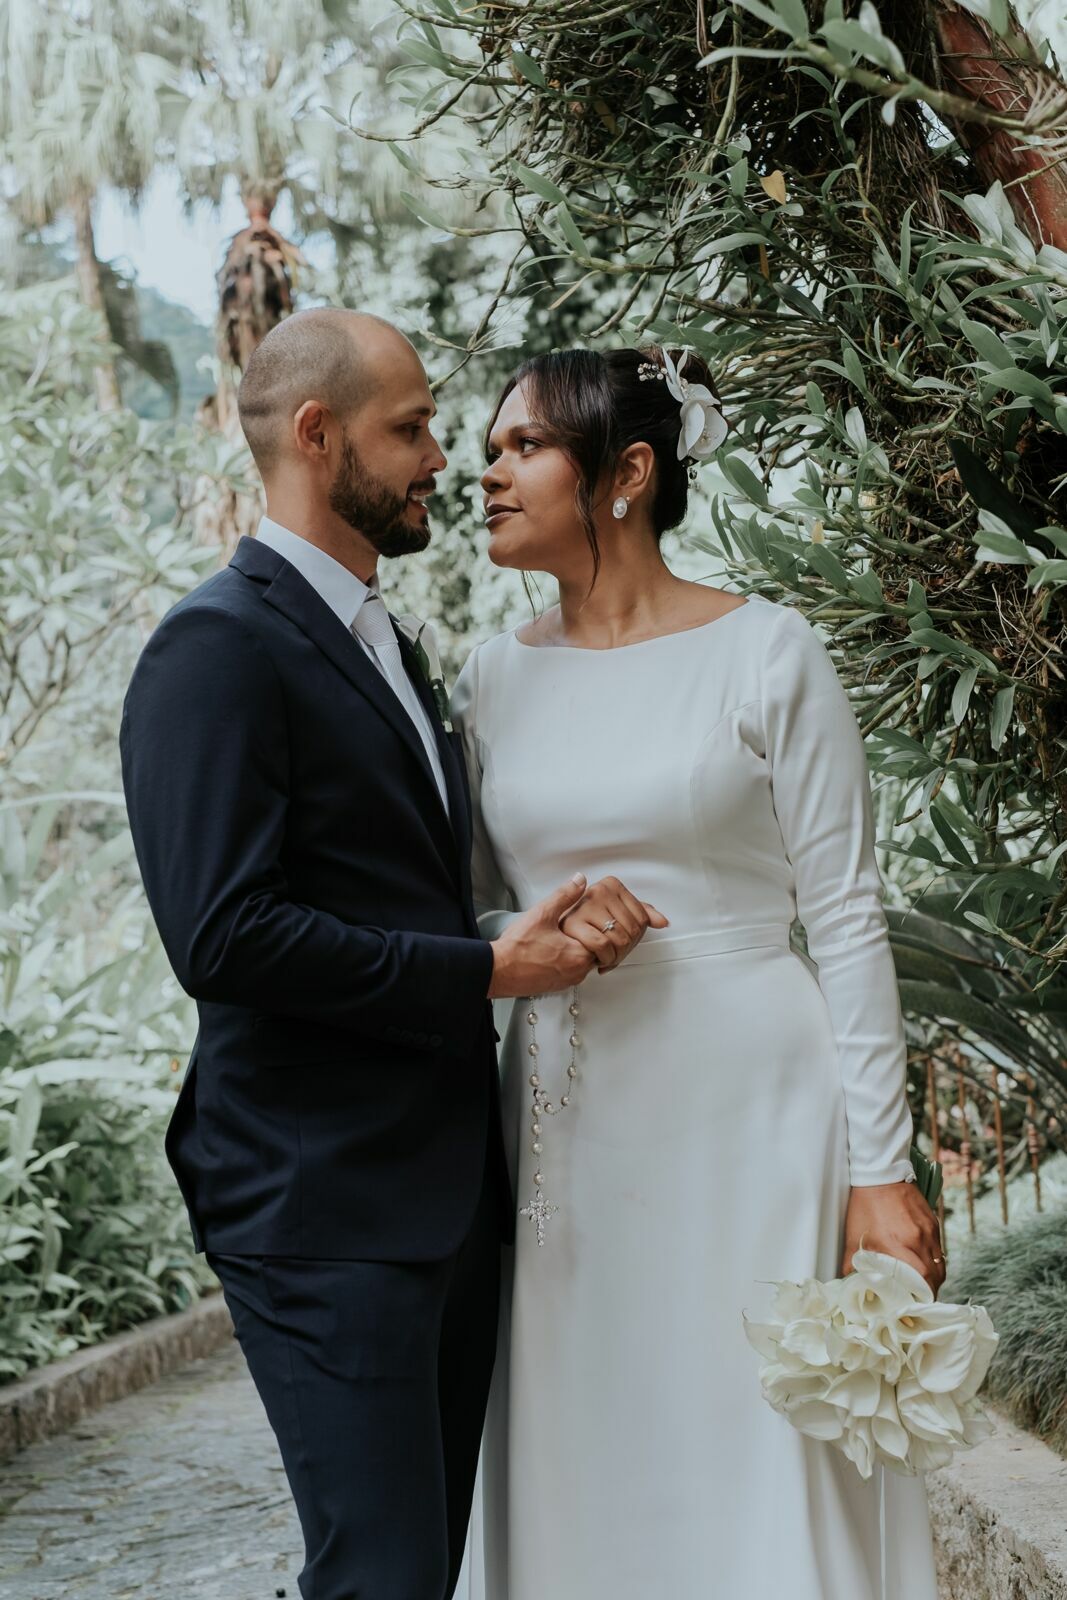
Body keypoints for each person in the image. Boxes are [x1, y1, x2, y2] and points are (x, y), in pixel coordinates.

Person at [119, 308, 662, 1600]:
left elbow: (388, 895)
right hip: (317, 1201)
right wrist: (486, 973)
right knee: (380, 1575)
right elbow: (223, 934)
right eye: (411, 428)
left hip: (436, 1196)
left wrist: (501, 935)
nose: (442, 460)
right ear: (317, 435)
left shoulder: (387, 647)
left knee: (409, 1575)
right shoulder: (216, 649)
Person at [451, 345, 946, 1599]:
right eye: (487, 447)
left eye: (522, 448)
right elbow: (464, 907)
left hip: (755, 1109)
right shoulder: (490, 675)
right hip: (569, 1109)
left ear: (625, 472)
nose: (487, 470)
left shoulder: (768, 654)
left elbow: (842, 915)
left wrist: (881, 1174)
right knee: (590, 1420)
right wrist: (539, 923)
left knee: (753, 1427)